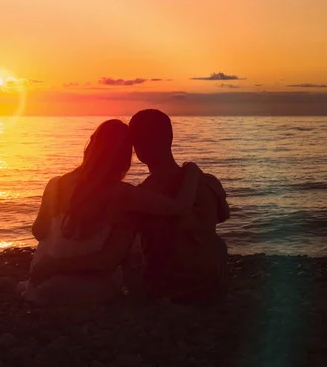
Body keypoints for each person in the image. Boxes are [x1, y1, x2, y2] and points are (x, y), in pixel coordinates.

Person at [31, 110, 230, 305]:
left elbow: (40, 232)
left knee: (131, 232)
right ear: (170, 138)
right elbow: (221, 215)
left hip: (44, 281)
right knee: (216, 243)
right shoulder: (205, 183)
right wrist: (193, 172)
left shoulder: (57, 184)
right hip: (208, 282)